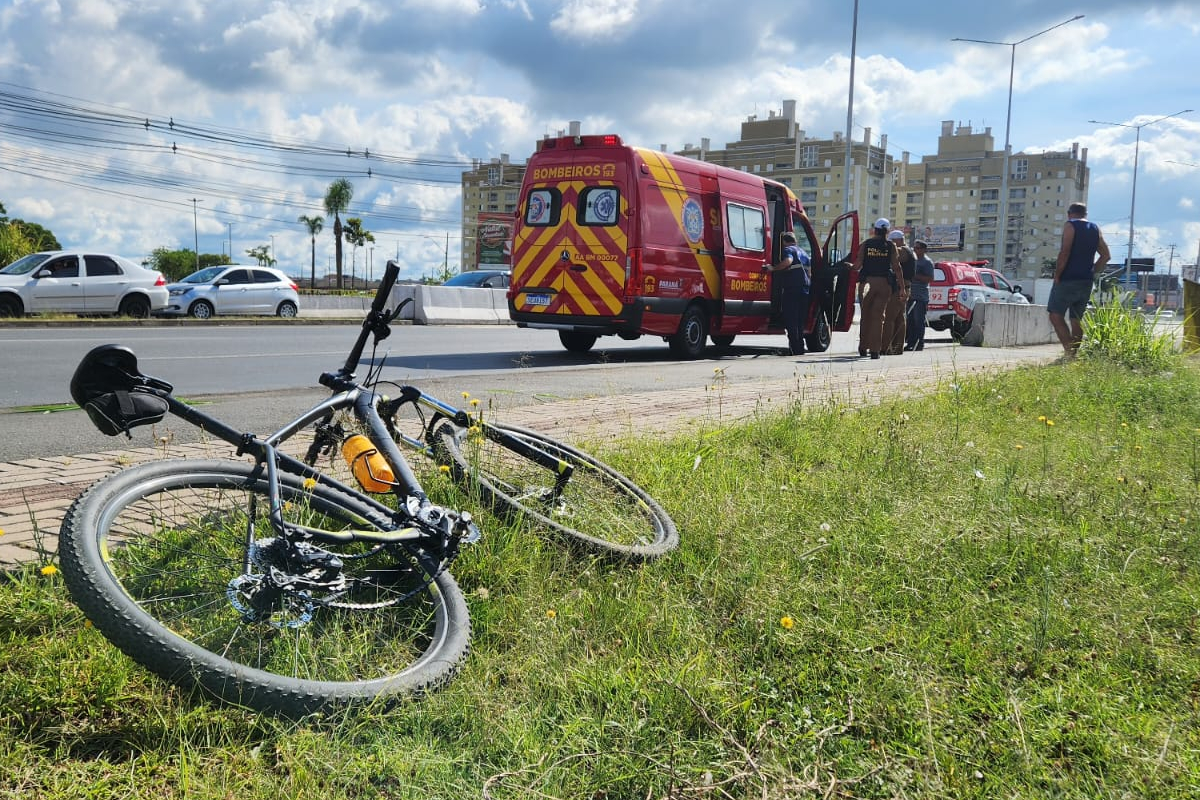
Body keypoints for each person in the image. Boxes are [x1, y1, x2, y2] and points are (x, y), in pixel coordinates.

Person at [1050, 202, 1110, 357]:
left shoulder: (1070, 226)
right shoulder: (1095, 228)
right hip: (1085, 281)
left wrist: (1057, 274)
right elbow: (1106, 255)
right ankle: (1073, 354)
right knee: (1076, 318)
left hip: (1067, 279)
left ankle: (1069, 352)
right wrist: (1092, 272)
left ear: (1069, 213)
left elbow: (1065, 252)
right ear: (1085, 214)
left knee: (1055, 315)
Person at [852, 218, 906, 359]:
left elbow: (857, 265)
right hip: (884, 285)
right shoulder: (890, 246)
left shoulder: (866, 244)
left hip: (867, 285)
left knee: (866, 317)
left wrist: (849, 267)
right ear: (887, 231)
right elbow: (897, 268)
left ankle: (863, 348)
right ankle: (875, 351)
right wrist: (902, 288)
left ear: (874, 230)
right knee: (878, 317)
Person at [764, 231, 811, 355]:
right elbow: (809, 273)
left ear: (784, 242)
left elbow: (788, 261)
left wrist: (773, 268)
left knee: (791, 320)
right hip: (805, 289)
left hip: (792, 289)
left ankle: (795, 349)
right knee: (800, 321)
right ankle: (800, 348)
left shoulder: (788, 250)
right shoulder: (805, 253)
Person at [882, 228, 914, 354]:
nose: (891, 246)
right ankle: (898, 347)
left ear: (900, 241)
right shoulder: (909, 251)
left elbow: (892, 257)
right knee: (899, 318)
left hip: (899, 289)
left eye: (893, 243)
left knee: (889, 318)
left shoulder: (902, 251)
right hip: (905, 288)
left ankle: (886, 347)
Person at [905, 240, 935, 351]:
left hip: (920, 296)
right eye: (914, 247)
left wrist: (915, 276)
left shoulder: (927, 262)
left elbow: (930, 278)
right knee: (910, 321)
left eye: (917, 248)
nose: (915, 250)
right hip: (910, 295)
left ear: (923, 249)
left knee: (918, 321)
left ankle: (919, 343)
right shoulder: (913, 260)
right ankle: (910, 343)